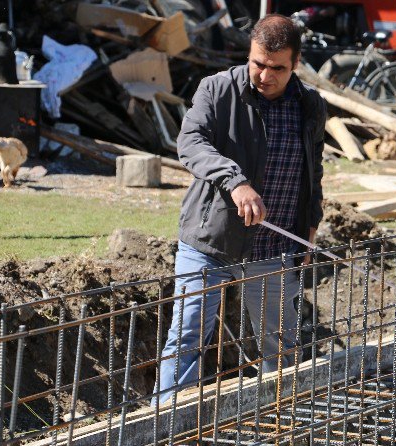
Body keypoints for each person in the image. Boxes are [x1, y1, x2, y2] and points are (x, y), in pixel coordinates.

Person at [154, 14, 326, 404]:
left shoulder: (311, 105)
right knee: (187, 336)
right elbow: (191, 142)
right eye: (257, 64)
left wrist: (310, 226)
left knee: (279, 344)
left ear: (296, 63)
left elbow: (313, 171)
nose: (264, 75)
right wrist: (235, 182)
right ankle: (164, 424)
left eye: (277, 68)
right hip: (209, 239)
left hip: (274, 247)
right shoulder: (216, 90)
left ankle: (280, 418)